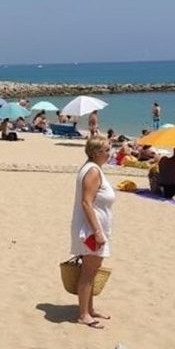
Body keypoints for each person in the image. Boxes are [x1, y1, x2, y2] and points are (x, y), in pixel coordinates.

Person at [70, 135, 114, 329]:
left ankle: (89, 308)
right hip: (90, 230)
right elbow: (86, 203)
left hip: (94, 228)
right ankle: (84, 314)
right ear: (97, 153)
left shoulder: (93, 168)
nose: (110, 154)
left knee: (93, 269)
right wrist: (97, 232)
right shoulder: (93, 171)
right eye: (107, 150)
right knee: (88, 271)